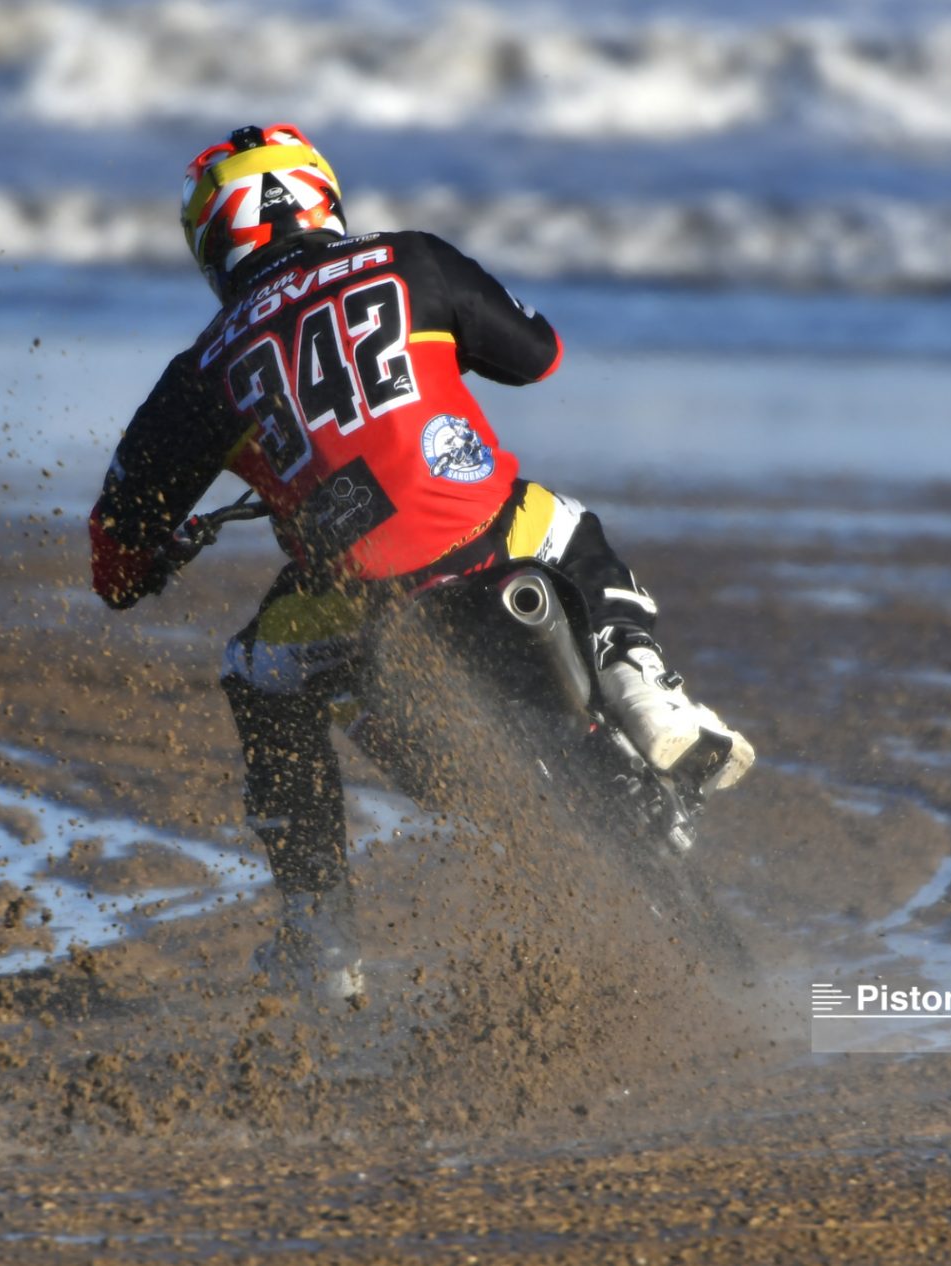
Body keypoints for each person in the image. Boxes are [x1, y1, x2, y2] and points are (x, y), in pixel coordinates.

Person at [88, 124, 754, 999]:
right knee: (568, 523)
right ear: (321, 199)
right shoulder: (412, 260)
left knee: (254, 673)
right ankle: (645, 689)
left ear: (213, 240)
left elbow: (114, 564)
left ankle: (319, 939)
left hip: (352, 601)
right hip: (486, 537)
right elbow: (539, 355)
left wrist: (163, 551)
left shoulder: (199, 372)